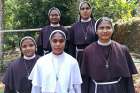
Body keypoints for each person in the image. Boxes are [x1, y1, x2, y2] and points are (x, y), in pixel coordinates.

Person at [81, 17, 138, 93]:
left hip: (119, 89)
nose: (105, 31)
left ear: (112, 30)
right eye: (101, 28)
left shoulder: (122, 50)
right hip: (96, 89)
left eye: (108, 27)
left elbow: (128, 78)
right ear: (96, 31)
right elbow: (85, 79)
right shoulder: (88, 51)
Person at [69, 1, 97, 67]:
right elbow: (71, 46)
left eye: (87, 8)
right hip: (79, 57)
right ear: (79, 11)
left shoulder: (96, 24)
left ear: (91, 10)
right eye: (82, 9)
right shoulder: (74, 27)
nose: (85, 11)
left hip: (94, 55)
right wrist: (72, 60)